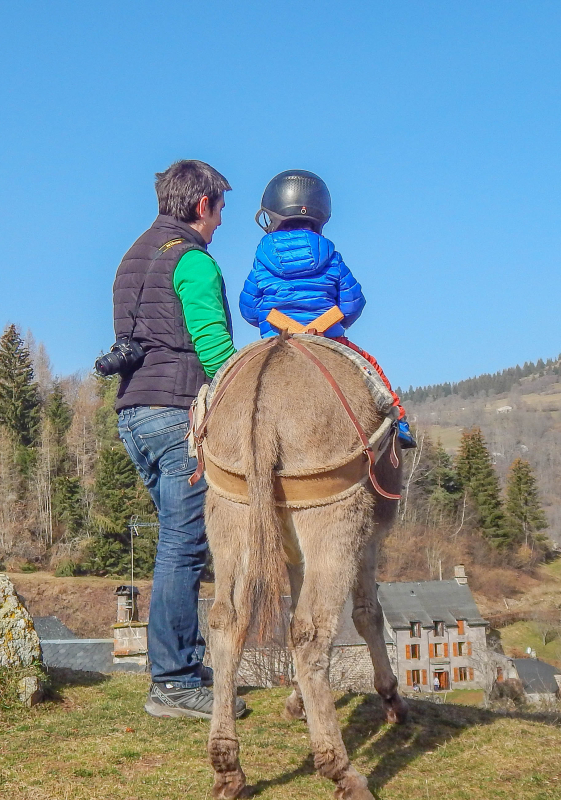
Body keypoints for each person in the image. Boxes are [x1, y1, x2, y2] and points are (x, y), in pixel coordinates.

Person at [112, 160, 245, 719]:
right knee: (183, 549)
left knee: (175, 542)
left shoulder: (133, 255)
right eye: (219, 211)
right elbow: (213, 347)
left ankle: (177, 662)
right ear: (201, 205)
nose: (220, 223)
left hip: (135, 415)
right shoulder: (192, 260)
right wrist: (246, 399)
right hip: (178, 416)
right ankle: (173, 682)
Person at [239, 169, 416, 448]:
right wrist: (334, 321)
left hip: (275, 340)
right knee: (370, 367)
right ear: (321, 215)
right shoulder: (331, 255)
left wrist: (268, 319)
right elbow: (354, 302)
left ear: (272, 214)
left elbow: (248, 308)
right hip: (328, 340)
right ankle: (398, 421)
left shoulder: (262, 259)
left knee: (229, 382)